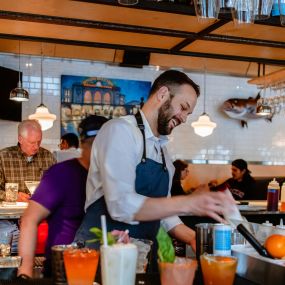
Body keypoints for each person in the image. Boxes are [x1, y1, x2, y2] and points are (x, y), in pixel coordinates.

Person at [74, 70, 236, 269]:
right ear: (162, 94)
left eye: (188, 113)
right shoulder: (119, 131)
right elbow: (120, 205)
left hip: (142, 257)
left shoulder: (163, 153)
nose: (184, 118)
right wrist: (188, 203)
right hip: (101, 254)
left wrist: (191, 236)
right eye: (183, 108)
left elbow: (163, 209)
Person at [17, 115, 108, 278]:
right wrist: (25, 273)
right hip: (62, 270)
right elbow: (29, 220)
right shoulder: (62, 173)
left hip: (104, 269)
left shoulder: (114, 177)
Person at [0, 119, 56, 202]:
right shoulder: (3, 157)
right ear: (20, 139)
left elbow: (58, 187)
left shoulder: (48, 157)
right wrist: (12, 196)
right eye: (32, 142)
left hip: (40, 212)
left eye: (39, 142)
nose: (36, 147)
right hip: (11, 213)